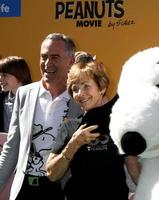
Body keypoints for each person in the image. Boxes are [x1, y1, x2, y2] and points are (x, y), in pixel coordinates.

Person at [0, 33, 83, 200]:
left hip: (64, 189)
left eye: (55, 57)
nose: (47, 63)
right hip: (25, 189)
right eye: (43, 57)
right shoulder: (24, 94)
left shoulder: (81, 98)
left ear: (71, 61)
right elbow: (12, 147)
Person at [46, 61, 140, 199]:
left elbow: (134, 168)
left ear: (102, 87)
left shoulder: (118, 122)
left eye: (86, 86)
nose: (80, 93)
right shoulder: (70, 126)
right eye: (75, 89)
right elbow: (52, 174)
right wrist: (73, 144)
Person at [0, 56, 32, 133]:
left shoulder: (35, 98)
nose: (0, 79)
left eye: (4, 75)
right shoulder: (2, 98)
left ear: (20, 75)